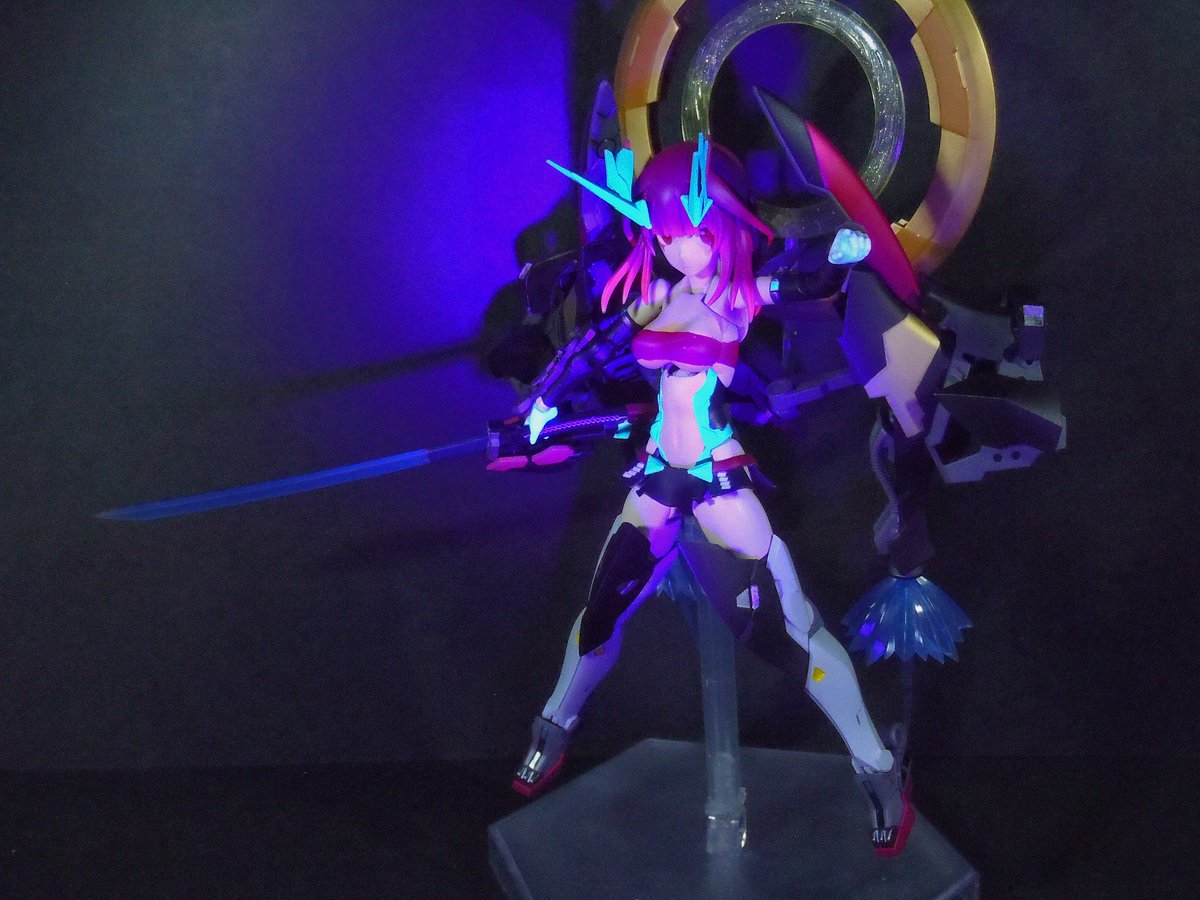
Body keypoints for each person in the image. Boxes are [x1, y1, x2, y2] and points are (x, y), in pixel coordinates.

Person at [513, 136, 913, 855]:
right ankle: (554, 726)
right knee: (599, 613)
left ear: (723, 225)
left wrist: (842, 255)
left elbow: (797, 285)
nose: (676, 246)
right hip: (656, 477)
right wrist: (542, 404)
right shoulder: (657, 295)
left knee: (796, 633)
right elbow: (593, 347)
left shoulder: (737, 294)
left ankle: (878, 769)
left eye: (689, 232)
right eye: (664, 234)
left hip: (717, 478)